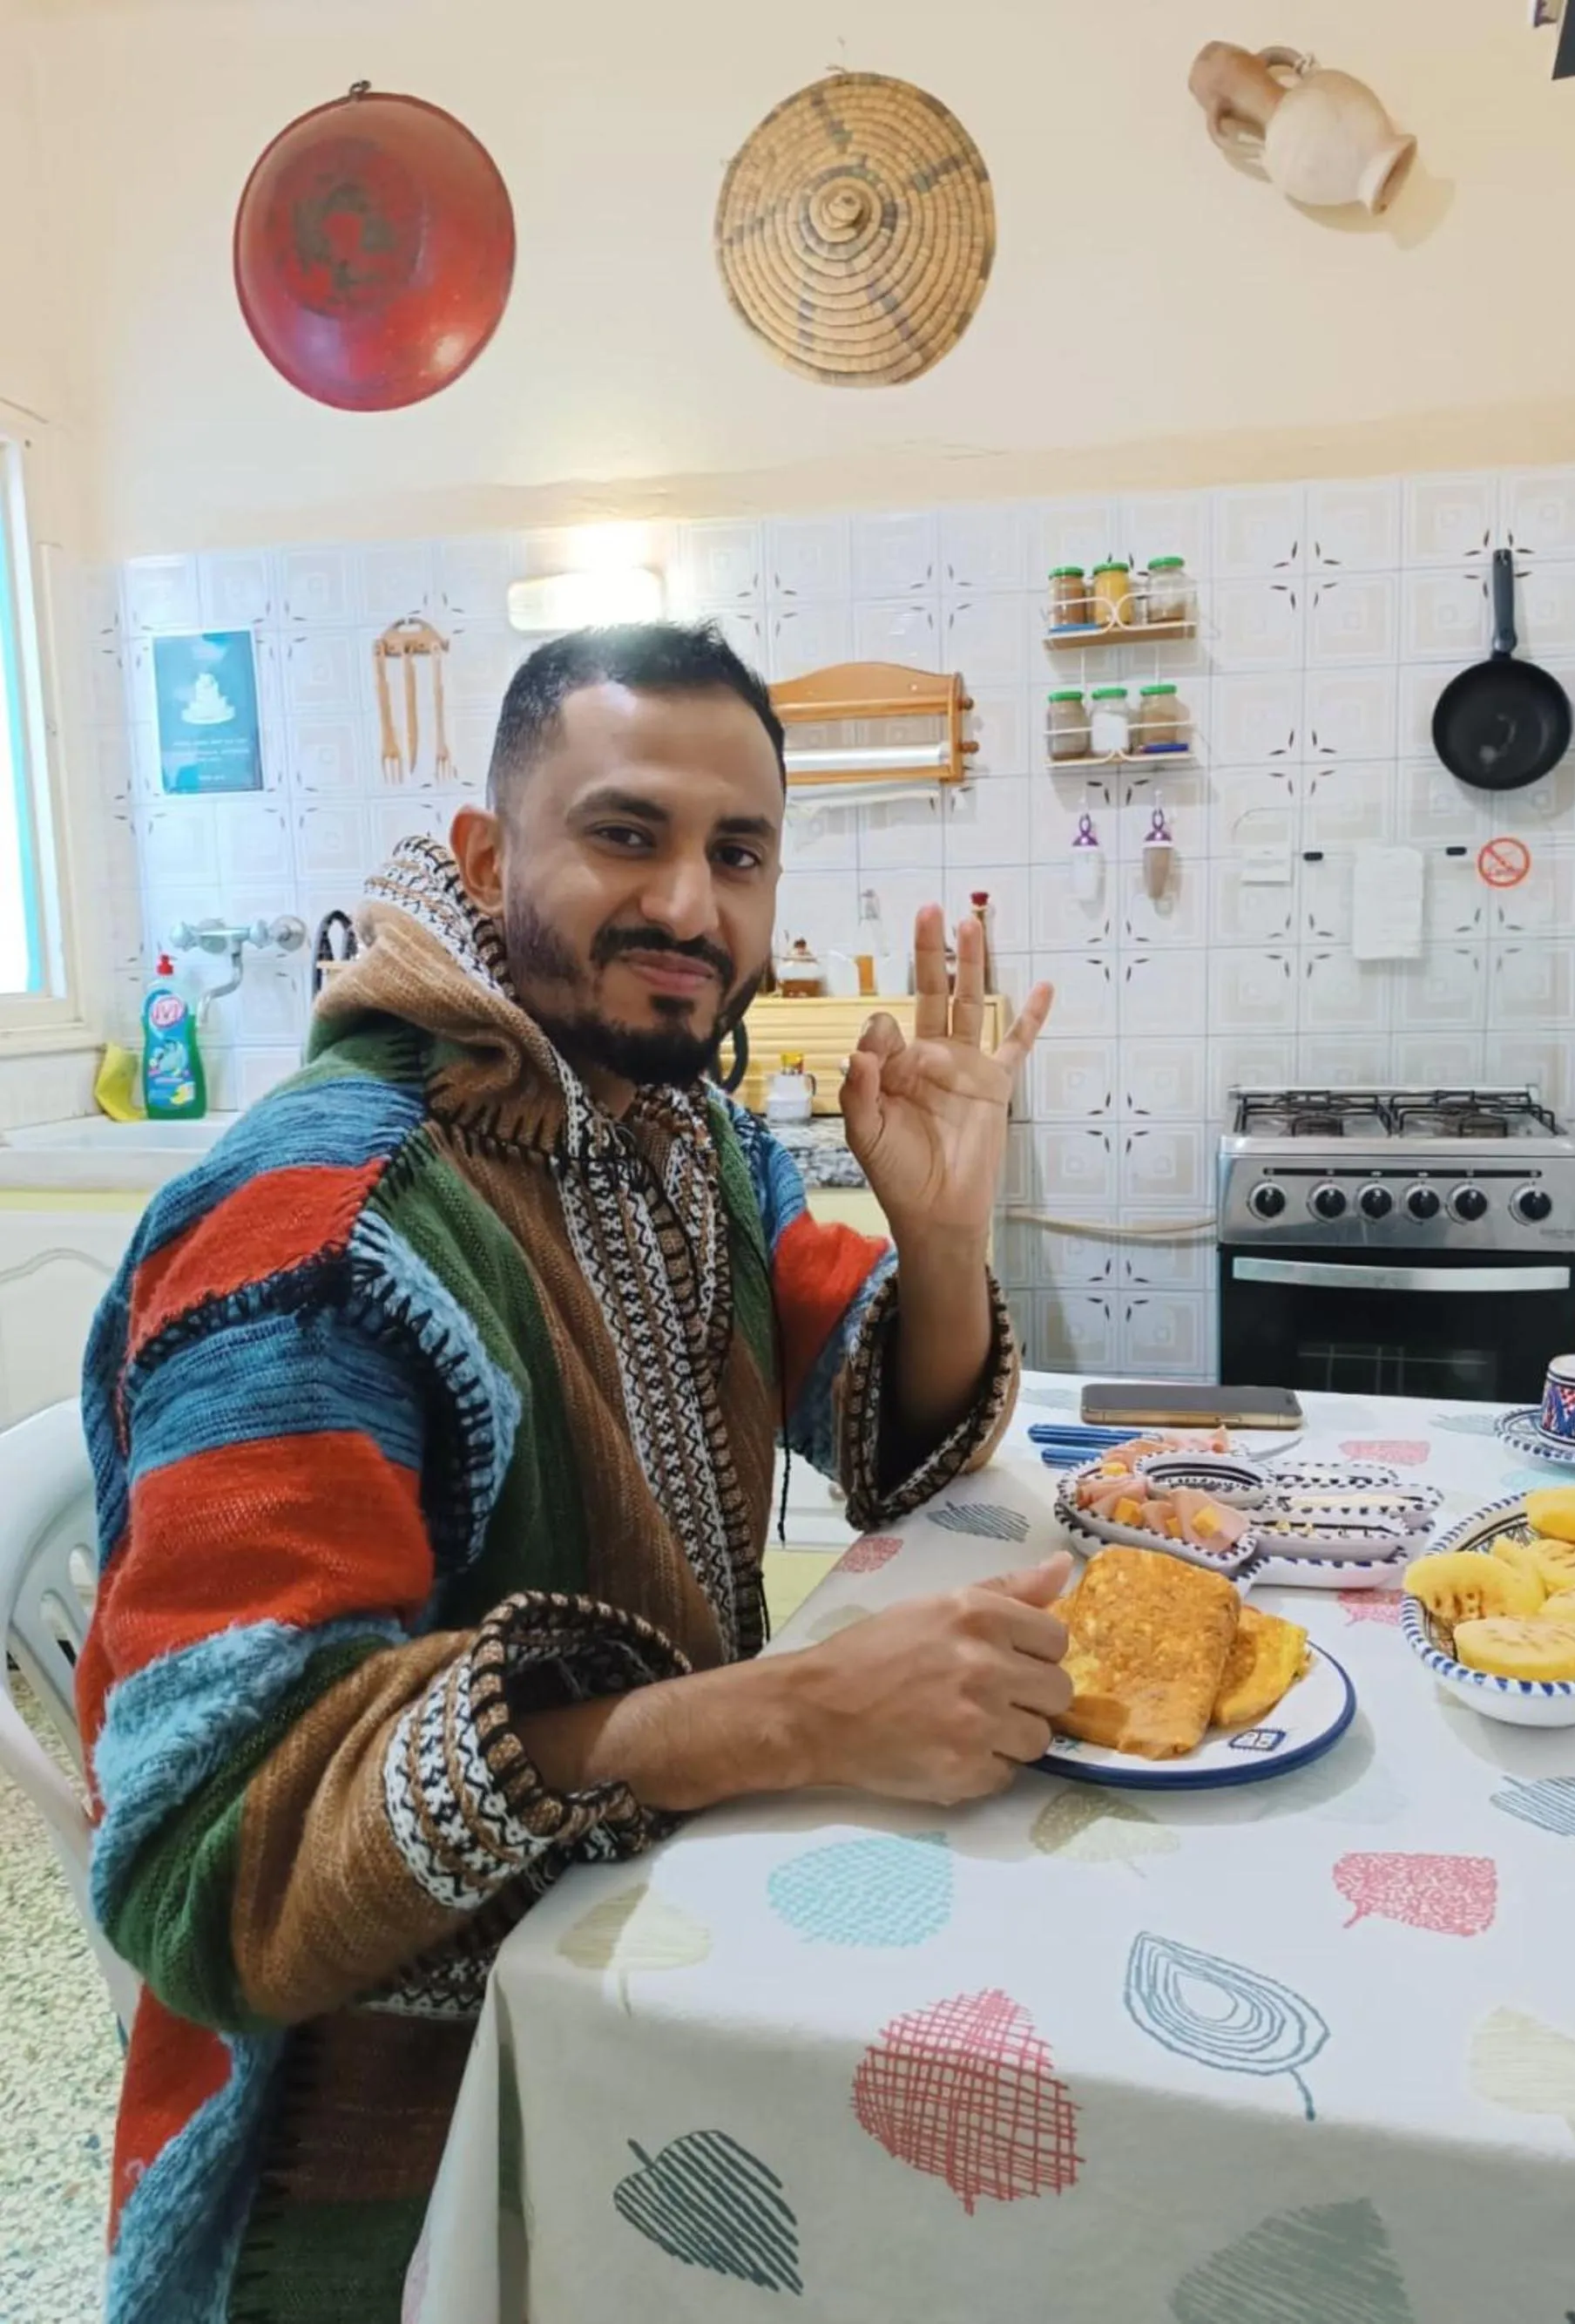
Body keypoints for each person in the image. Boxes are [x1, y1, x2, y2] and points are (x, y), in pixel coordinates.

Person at [76, 622, 1064, 2323]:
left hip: (643, 2012)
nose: (691, 904)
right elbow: (208, 1867)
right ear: (484, 857)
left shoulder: (678, 1137)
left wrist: (948, 1234)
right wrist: (786, 1714)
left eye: (736, 853)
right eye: (626, 833)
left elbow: (875, 1426)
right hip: (383, 2173)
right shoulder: (330, 1234)